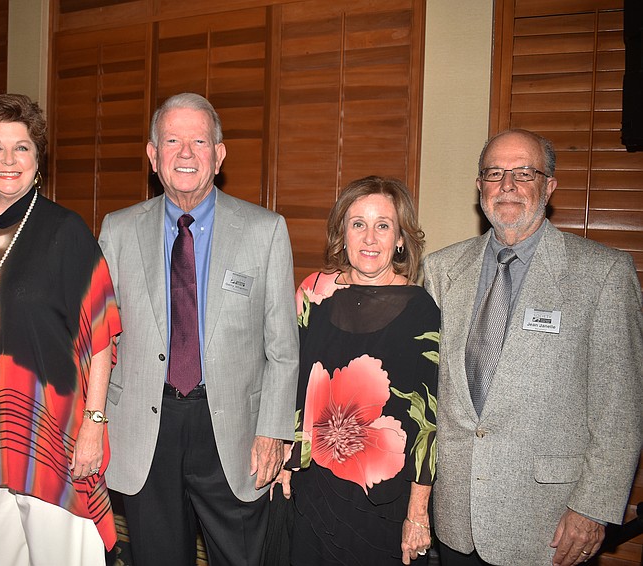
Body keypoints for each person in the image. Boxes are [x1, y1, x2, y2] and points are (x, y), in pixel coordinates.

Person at [423, 129, 643, 566]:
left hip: (548, 523)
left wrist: (593, 508)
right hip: (453, 517)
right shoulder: (441, 269)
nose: (507, 185)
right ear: (479, 186)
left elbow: (621, 410)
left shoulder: (603, 275)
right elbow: (428, 394)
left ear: (550, 186)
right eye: (494, 173)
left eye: (524, 173)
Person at [98, 92, 299, 566]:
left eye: (199, 141)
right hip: (145, 431)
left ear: (219, 154)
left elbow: (283, 348)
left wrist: (273, 430)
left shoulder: (264, 230)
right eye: (171, 140)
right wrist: (94, 423)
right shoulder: (117, 230)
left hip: (234, 434)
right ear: (152, 156)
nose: (185, 153)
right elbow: (99, 339)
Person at [0, 93, 121, 565]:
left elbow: (101, 335)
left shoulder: (65, 231)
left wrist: (93, 426)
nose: (9, 160)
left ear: (39, 161)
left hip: (49, 430)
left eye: (23, 147)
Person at [273, 176, 439, 565]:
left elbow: (427, 421)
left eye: (383, 225)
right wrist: (285, 460)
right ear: (342, 233)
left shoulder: (421, 310)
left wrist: (418, 511)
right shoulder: (312, 294)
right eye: (358, 224)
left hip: (381, 495)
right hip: (311, 485)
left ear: (400, 239)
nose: (369, 238)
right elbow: (291, 384)